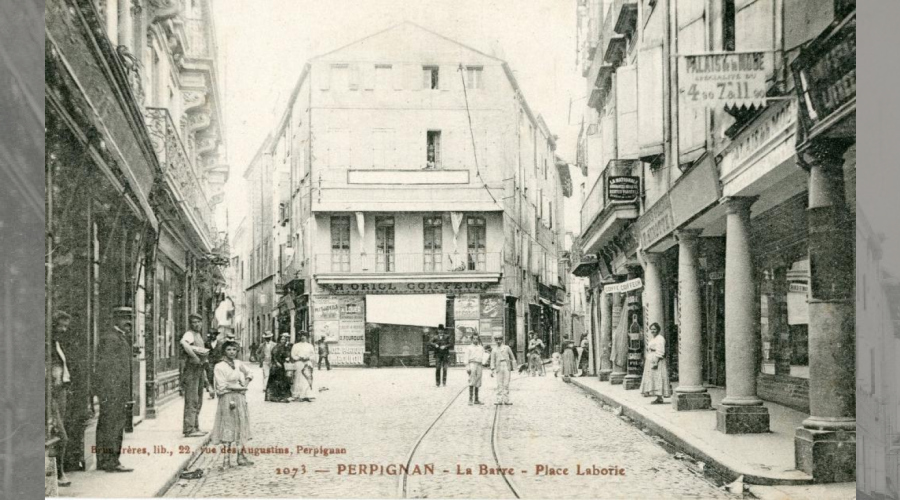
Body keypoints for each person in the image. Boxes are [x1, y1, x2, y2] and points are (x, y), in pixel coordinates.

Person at [95, 307, 135, 473]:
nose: (128, 322)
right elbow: (107, 368)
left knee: (108, 424)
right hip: (113, 391)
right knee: (113, 425)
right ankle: (111, 461)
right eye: (124, 318)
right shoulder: (111, 338)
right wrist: (114, 390)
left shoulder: (118, 337)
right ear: (116, 320)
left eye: (130, 318)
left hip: (116, 390)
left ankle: (105, 460)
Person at [210, 341, 254, 469]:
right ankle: (226, 460)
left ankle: (240, 456)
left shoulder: (238, 363)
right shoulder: (219, 366)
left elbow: (250, 373)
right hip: (227, 398)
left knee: (240, 424)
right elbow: (222, 385)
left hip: (239, 397)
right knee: (228, 425)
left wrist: (245, 383)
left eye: (234, 350)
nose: (232, 352)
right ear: (224, 351)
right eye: (229, 349)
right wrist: (239, 388)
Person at [50, 311, 73, 487]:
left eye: (66, 326)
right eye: (61, 326)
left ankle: (59, 472)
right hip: (52, 393)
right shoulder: (48, 345)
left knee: (60, 432)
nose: (64, 329)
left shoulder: (58, 343)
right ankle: (58, 473)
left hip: (61, 391)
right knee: (61, 435)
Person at [180, 314, 211, 438]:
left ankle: (195, 426)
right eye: (194, 322)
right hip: (191, 370)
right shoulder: (189, 334)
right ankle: (189, 428)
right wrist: (194, 356)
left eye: (198, 322)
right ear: (190, 324)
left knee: (198, 400)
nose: (196, 324)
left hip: (199, 370)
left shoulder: (198, 335)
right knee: (192, 400)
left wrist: (206, 378)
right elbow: (184, 343)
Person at [640, 323, 672, 404]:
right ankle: (657, 397)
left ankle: (660, 397)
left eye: (654, 329)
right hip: (651, 358)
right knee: (653, 378)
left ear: (658, 330)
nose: (653, 331)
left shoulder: (660, 338)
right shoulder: (653, 338)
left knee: (658, 377)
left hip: (657, 360)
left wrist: (656, 362)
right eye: (651, 329)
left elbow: (660, 351)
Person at [265, 333, 293, 402]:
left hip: (282, 366)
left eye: (284, 339)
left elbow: (287, 355)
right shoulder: (277, 347)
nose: (283, 341)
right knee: (276, 381)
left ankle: (282, 396)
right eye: (282, 339)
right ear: (279, 340)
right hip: (276, 367)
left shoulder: (285, 347)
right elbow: (274, 356)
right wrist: (277, 363)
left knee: (283, 381)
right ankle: (275, 397)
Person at [489, 334, 516, 405]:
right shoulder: (494, 350)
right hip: (499, 366)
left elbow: (512, 357)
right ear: (495, 341)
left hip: (506, 365)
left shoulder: (506, 348)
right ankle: (499, 399)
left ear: (502, 340)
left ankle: (506, 400)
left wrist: (514, 367)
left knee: (506, 383)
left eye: (499, 340)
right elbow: (492, 360)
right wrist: (492, 369)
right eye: (496, 340)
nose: (498, 341)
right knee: (499, 383)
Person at [290, 333, 316, 402]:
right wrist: (299, 358)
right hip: (299, 363)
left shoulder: (310, 346)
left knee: (307, 378)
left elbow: (313, 355)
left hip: (307, 363)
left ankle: (307, 395)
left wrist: (308, 357)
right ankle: (298, 395)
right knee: (299, 379)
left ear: (306, 337)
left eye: (304, 336)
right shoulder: (296, 345)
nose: (303, 337)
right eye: (301, 336)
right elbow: (293, 355)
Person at [465, 334, 486, 405]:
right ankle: (470, 399)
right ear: (472, 339)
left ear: (478, 339)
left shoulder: (481, 348)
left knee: (478, 381)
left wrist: (484, 361)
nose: (475, 340)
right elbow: (466, 358)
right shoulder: (469, 348)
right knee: (472, 380)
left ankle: (476, 399)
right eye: (474, 339)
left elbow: (483, 356)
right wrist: (467, 367)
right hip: (472, 364)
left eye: (477, 339)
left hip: (479, 364)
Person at [205, 330, 223, 400]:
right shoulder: (207, 343)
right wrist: (206, 359)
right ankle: (211, 393)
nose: (212, 336)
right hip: (210, 362)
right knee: (210, 376)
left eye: (214, 334)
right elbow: (205, 352)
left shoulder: (220, 343)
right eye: (211, 334)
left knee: (219, 376)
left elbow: (223, 353)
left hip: (219, 362)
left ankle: (219, 392)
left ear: (216, 335)